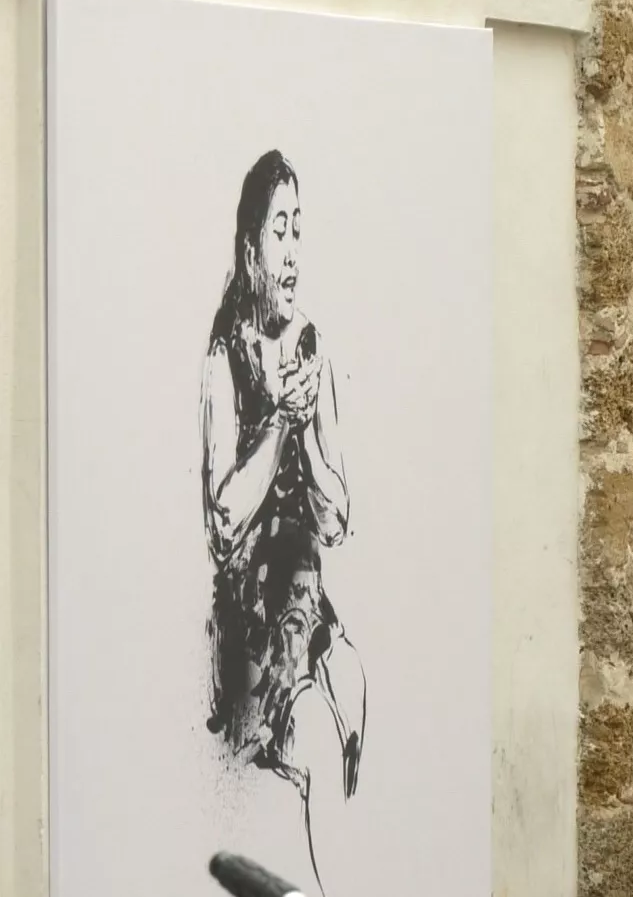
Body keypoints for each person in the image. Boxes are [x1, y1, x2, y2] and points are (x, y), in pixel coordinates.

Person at [200, 149, 361, 895]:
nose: (293, 251)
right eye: (280, 231)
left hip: (309, 604)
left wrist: (306, 423)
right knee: (322, 751)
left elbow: (337, 516)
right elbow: (223, 516)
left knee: (354, 691)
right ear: (249, 249)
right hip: (255, 623)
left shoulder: (312, 346)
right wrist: (275, 425)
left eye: (301, 229)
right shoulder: (223, 355)